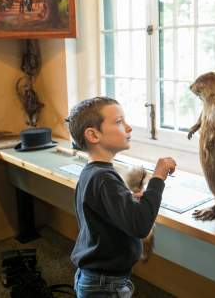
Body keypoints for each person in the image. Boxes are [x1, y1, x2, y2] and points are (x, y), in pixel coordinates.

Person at [67, 96, 176, 298]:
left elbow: (106, 209)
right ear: (93, 135)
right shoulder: (105, 178)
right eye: (119, 122)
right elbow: (140, 226)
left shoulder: (93, 172)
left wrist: (128, 200)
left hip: (96, 277)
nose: (128, 128)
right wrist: (158, 176)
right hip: (105, 285)